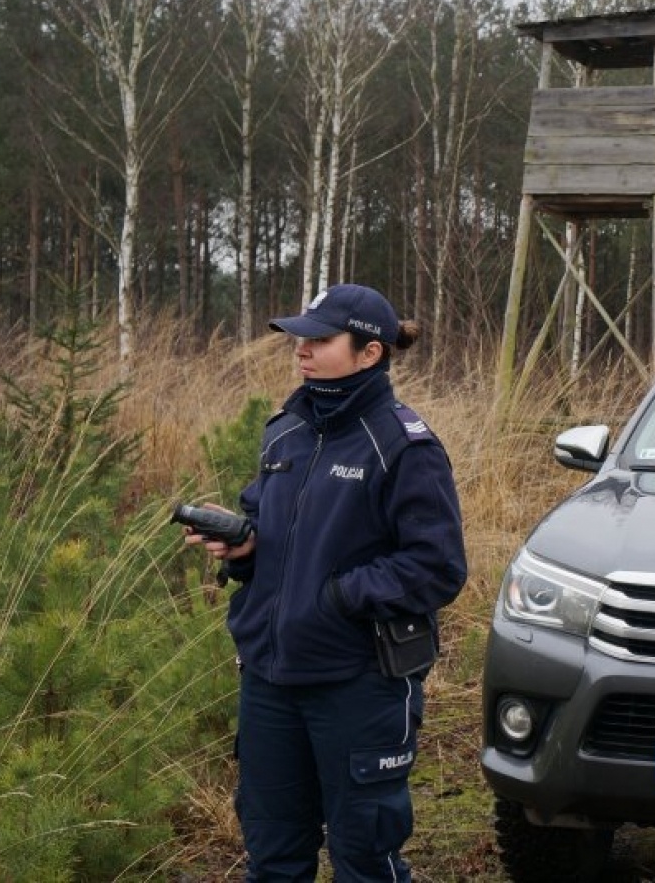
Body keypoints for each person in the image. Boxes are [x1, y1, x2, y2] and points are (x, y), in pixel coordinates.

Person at [184, 283, 467, 882]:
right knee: (273, 859)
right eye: (299, 338)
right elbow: (273, 532)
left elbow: (437, 566)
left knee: (364, 860)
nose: (301, 349)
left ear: (371, 352)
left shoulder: (404, 446)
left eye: (320, 339)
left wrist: (338, 596)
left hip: (358, 685)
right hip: (270, 679)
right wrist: (245, 547)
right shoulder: (285, 431)